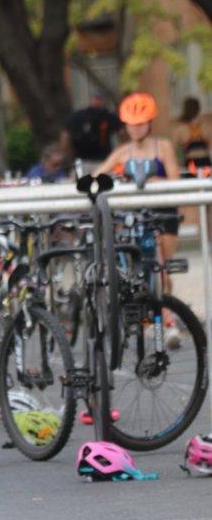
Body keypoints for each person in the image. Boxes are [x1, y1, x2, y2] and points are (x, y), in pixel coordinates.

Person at [94, 91, 181, 343]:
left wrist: (153, 181)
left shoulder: (162, 147)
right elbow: (99, 174)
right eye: (131, 124)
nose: (135, 128)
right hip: (135, 216)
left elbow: (175, 179)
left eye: (140, 123)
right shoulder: (123, 152)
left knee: (163, 270)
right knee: (142, 270)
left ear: (149, 123)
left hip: (163, 213)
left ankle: (167, 320)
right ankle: (152, 323)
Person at [60, 90, 122, 171]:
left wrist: (69, 156)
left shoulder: (76, 116)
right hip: (103, 162)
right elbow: (122, 134)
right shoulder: (108, 116)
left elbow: (65, 138)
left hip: (81, 162)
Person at [172, 97, 212, 172]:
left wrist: (176, 165)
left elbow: (172, 151)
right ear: (198, 109)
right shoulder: (207, 127)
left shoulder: (180, 129)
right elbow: (211, 148)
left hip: (191, 164)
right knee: (206, 180)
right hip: (205, 163)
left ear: (185, 109)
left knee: (191, 180)